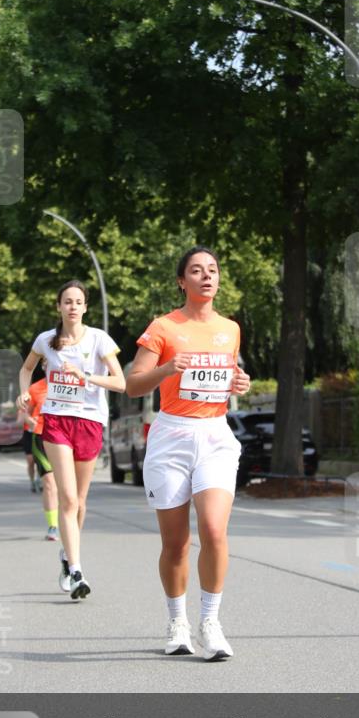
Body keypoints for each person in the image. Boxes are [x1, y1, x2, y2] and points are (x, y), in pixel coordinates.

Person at [126, 247, 251, 661]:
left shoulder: (230, 329)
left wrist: (239, 383)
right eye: (196, 271)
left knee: (214, 531)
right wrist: (167, 369)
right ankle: (177, 621)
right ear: (182, 281)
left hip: (214, 435)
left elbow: (227, 375)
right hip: (172, 436)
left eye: (212, 270)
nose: (206, 276)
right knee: (176, 542)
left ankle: (211, 622)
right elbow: (133, 384)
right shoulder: (163, 327)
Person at [17, 280, 125, 599]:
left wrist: (86, 377)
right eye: (67, 301)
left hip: (90, 420)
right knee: (67, 498)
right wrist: (24, 391)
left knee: (80, 501)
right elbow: (26, 369)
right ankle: (77, 572)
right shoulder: (46, 341)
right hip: (56, 420)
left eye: (78, 301)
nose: (73, 306)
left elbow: (120, 382)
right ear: (58, 307)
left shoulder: (99, 339)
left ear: (85, 307)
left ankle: (66, 554)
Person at [27, 365, 59, 542]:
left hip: (65, 437)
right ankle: (53, 526)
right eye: (47, 362)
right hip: (41, 435)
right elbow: (24, 413)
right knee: (49, 483)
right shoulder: (35, 388)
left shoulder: (73, 383)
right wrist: (28, 419)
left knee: (66, 486)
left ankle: (69, 521)